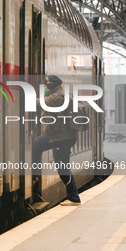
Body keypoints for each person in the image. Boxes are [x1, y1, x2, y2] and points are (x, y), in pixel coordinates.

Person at [33, 75, 81, 206]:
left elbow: (40, 103)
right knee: (37, 144)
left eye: (46, 86)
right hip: (55, 136)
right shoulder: (58, 95)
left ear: (52, 86)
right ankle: (34, 175)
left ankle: (74, 198)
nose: (45, 88)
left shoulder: (58, 97)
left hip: (62, 138)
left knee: (63, 168)